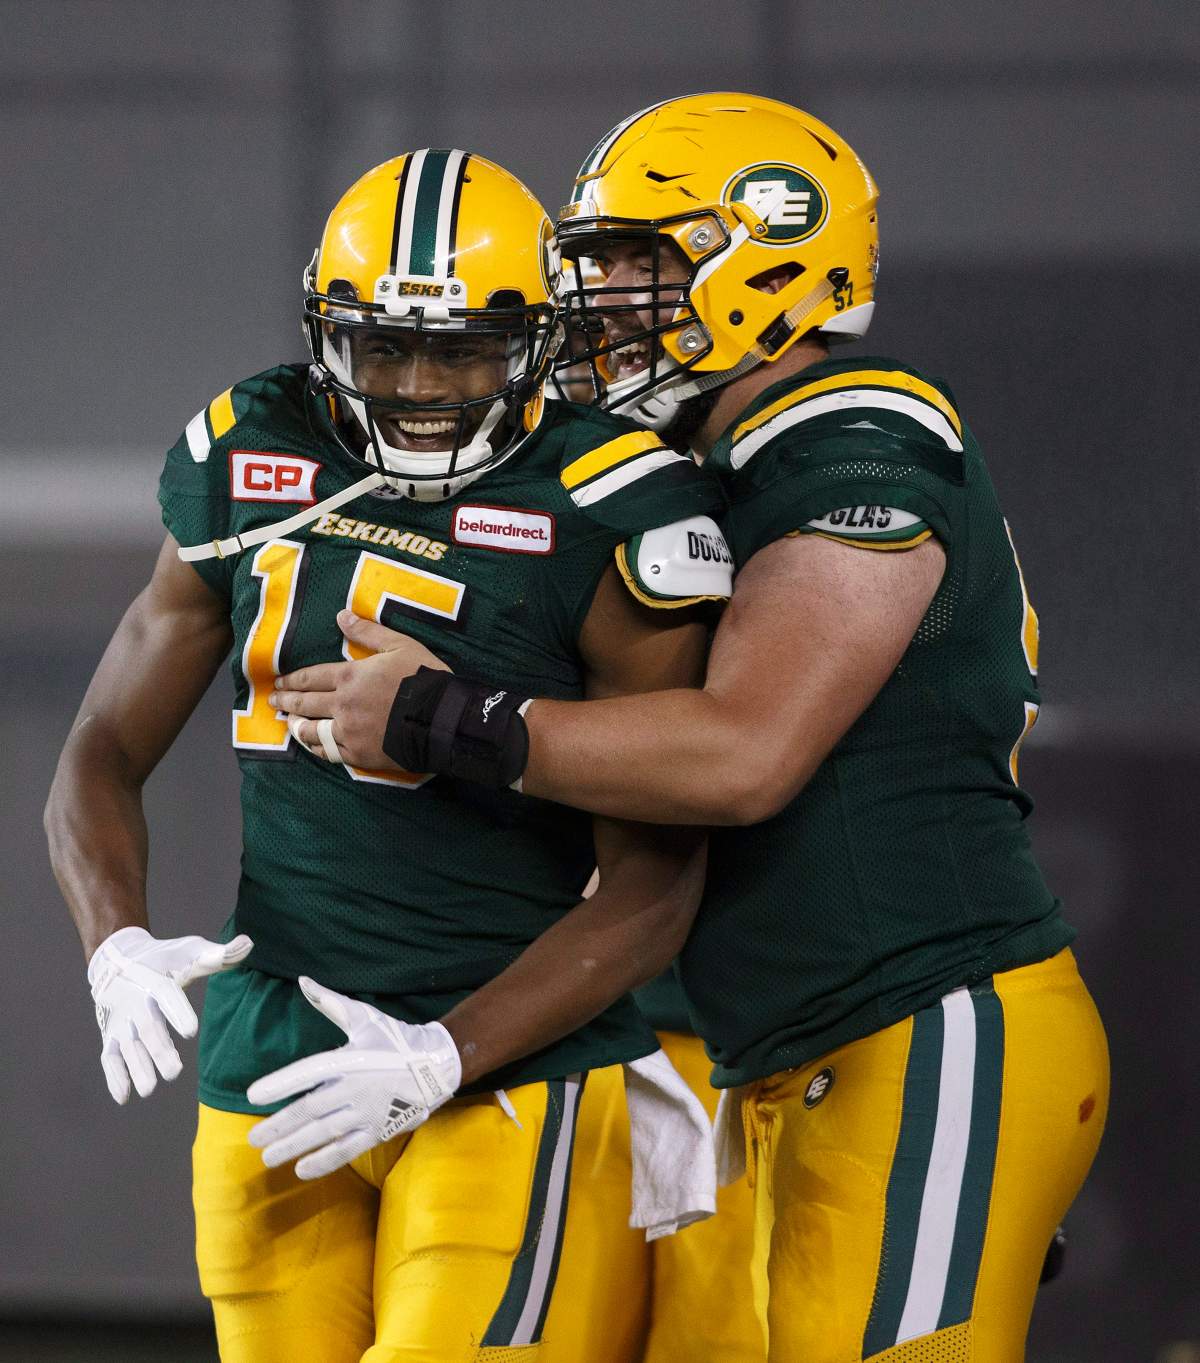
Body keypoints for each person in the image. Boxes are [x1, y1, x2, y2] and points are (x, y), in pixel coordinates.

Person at [272, 96, 1110, 1362]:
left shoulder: (859, 432)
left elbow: (741, 756)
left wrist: (445, 713)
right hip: (787, 1046)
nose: (599, 294)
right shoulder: (688, 462)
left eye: (633, 261)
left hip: (929, 1012)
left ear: (766, 257)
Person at [45, 149, 736, 1363]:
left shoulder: (611, 500)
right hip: (278, 1038)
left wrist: (445, 1052)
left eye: (463, 348)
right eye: (383, 347)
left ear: (535, 338)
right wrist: (115, 946)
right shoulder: (250, 448)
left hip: (511, 1057)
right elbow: (99, 747)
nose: (419, 385)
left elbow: (659, 879)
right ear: (326, 333)